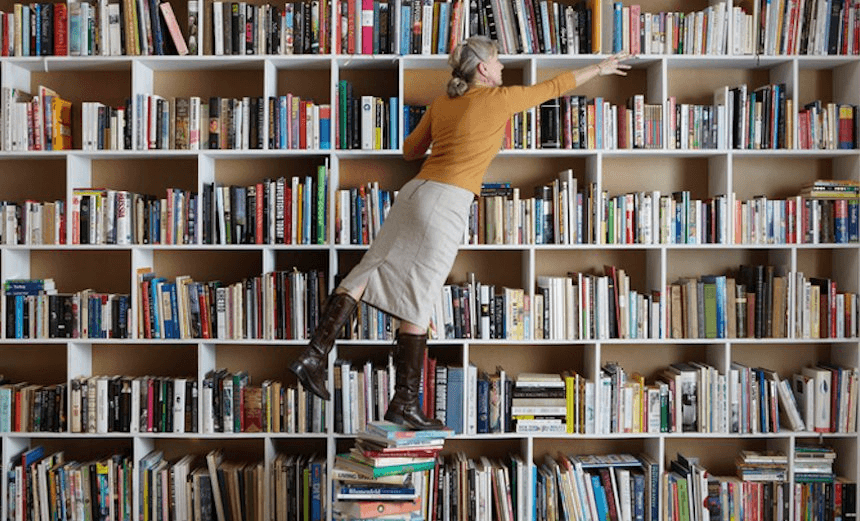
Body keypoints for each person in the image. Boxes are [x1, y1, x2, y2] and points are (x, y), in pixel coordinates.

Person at [291, 37, 631, 430]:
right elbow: (554, 87)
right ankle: (403, 403)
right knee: (419, 295)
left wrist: (448, 139)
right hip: (446, 203)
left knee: (368, 271)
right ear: (483, 68)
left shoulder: (442, 104)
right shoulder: (499, 99)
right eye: (498, 60)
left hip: (414, 194)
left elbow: (409, 151)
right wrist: (599, 68)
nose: (502, 66)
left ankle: (314, 354)